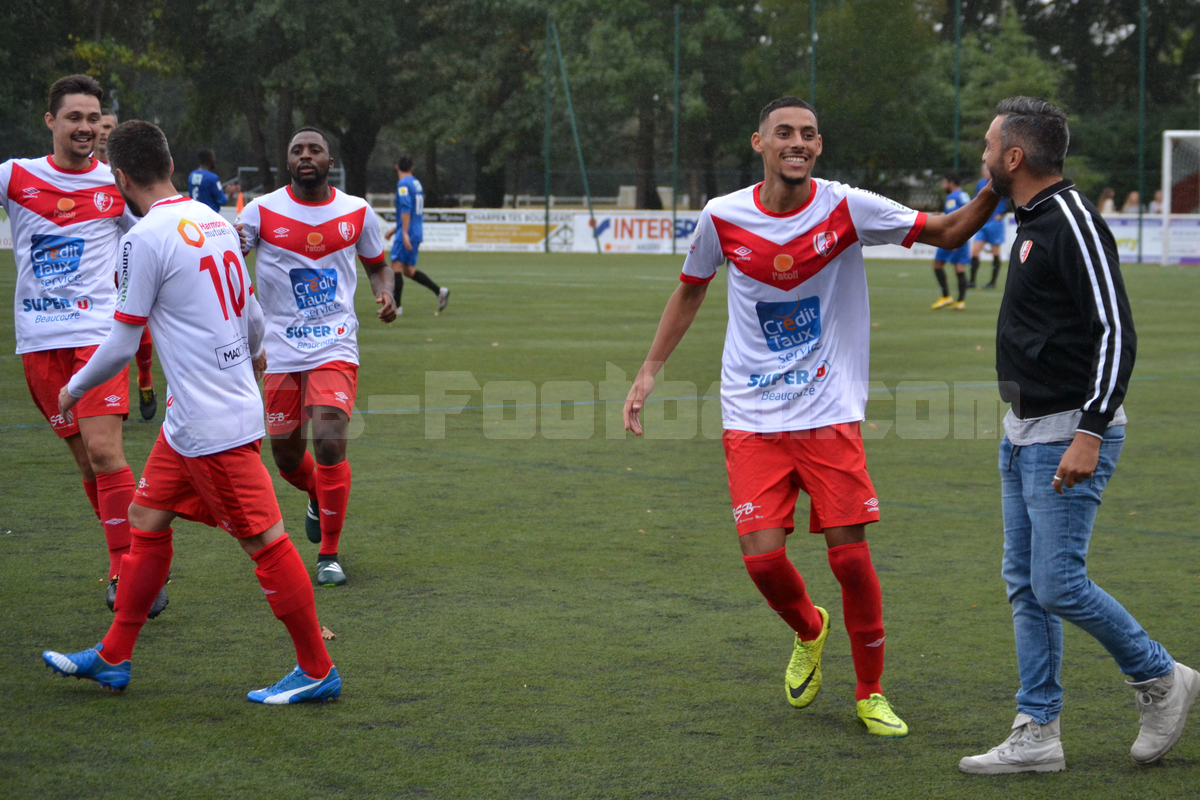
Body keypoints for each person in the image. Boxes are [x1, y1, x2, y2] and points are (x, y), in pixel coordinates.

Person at [624, 96, 999, 738]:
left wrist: (996, 185)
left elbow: (946, 231)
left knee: (850, 560)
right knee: (763, 562)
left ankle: (870, 691)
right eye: (784, 133)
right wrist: (648, 370)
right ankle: (809, 627)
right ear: (759, 143)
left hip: (829, 412)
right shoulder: (722, 216)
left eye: (808, 134)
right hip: (751, 413)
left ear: (818, 147)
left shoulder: (846, 207)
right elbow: (690, 289)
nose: (797, 142)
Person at [42, 120, 340, 704]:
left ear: (120, 177)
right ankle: (114, 655)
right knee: (146, 519)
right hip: (193, 419)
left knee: (267, 542)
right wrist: (245, 360)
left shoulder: (143, 238)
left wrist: (74, 388)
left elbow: (123, 342)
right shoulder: (214, 220)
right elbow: (254, 318)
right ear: (171, 164)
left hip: (210, 425)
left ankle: (316, 668)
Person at [958, 97, 1197, 775]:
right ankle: (1038, 729)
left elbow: (1116, 330)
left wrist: (1089, 430)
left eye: (989, 147)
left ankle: (1160, 677)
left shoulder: (1070, 218)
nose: (982, 157)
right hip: (1024, 431)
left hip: (1067, 432)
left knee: (1058, 584)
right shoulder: (1031, 216)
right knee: (1026, 585)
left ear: (1014, 157)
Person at [0, 75, 167, 614]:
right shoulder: (15, 177)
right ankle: (135, 550)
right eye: (74, 117)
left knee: (104, 451)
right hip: (39, 341)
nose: (86, 127)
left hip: (98, 337)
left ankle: (129, 569)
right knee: (86, 462)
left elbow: (162, 222)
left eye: (94, 118)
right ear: (51, 121)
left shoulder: (116, 184)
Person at [236, 128, 396, 587]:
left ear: (330, 161)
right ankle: (314, 493)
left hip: (335, 343)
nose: (306, 156)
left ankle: (329, 554)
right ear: (288, 162)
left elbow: (378, 265)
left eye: (315, 150)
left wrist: (385, 292)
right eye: (297, 151)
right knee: (287, 457)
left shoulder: (356, 211)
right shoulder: (260, 212)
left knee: (328, 440)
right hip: (279, 349)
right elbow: (228, 255)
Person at [94, 108, 159, 420]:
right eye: (100, 125)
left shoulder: (127, 175)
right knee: (108, 333)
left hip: (128, 265)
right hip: (97, 275)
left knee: (138, 329)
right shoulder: (78, 176)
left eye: (109, 126)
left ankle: (145, 379)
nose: (103, 131)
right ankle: (105, 397)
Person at [386, 154, 448, 316]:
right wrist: (395, 229)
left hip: (408, 232)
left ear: (397, 167)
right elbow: (412, 211)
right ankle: (439, 291)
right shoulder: (416, 183)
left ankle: (396, 307)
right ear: (412, 168)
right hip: (415, 230)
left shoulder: (403, 184)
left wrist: (404, 233)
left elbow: (406, 209)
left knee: (395, 267)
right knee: (408, 270)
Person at [931, 172, 973, 309]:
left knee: (938, 265)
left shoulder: (952, 197)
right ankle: (960, 301)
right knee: (959, 267)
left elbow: (953, 218)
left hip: (951, 237)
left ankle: (946, 296)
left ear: (951, 183)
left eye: (945, 182)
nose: (943, 185)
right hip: (964, 235)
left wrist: (954, 237)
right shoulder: (964, 195)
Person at [969, 163, 1007, 289]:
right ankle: (972, 280)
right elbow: (976, 200)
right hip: (983, 222)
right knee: (975, 251)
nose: (985, 171)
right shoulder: (981, 183)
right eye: (983, 169)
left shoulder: (1000, 183)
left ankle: (992, 282)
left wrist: (1002, 213)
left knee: (995, 252)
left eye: (987, 169)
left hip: (995, 224)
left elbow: (1011, 198)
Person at [187, 149, 238, 214]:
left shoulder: (192, 175)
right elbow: (222, 200)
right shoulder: (212, 178)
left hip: (194, 214)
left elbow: (203, 191)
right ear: (210, 160)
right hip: (208, 216)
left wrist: (223, 191)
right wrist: (230, 193)